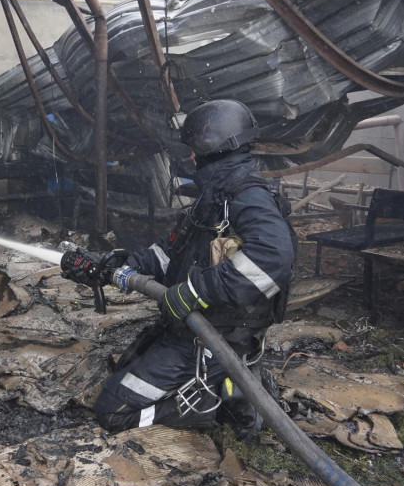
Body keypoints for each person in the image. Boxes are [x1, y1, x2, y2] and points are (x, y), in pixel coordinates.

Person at [64, 99, 295, 440]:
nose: (189, 157)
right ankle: (235, 388)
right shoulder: (215, 196)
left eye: (194, 149)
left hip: (216, 340)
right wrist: (115, 266)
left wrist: (195, 291)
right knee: (123, 370)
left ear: (213, 147)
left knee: (113, 411)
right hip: (190, 331)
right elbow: (169, 253)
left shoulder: (246, 197)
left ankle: (214, 402)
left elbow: (273, 258)